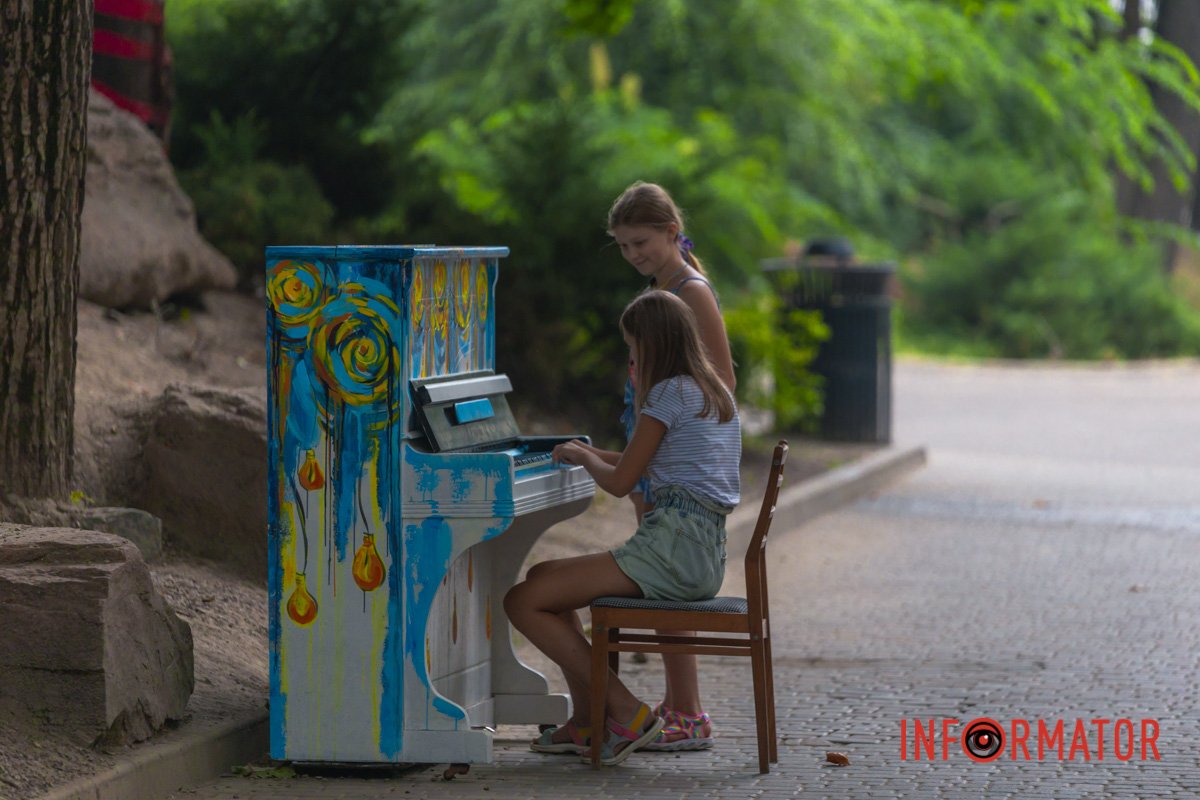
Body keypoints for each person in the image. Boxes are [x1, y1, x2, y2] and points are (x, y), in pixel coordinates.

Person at [504, 290, 742, 766]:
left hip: (671, 553)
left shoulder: (669, 392)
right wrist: (583, 452)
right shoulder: (711, 390)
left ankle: (625, 711)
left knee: (523, 600)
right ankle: (589, 722)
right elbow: (642, 462)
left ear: (653, 344)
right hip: (698, 552)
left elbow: (619, 483)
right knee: (542, 577)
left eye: (633, 347)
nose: (630, 358)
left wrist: (587, 458)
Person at [608, 180, 736, 751]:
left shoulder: (690, 290)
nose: (635, 255)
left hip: (671, 462)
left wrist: (661, 436)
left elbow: (721, 385)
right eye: (624, 247)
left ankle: (689, 712)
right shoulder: (665, 285)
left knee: (665, 590)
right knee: (659, 588)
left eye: (642, 242)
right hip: (653, 452)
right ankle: (680, 704)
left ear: (669, 231)